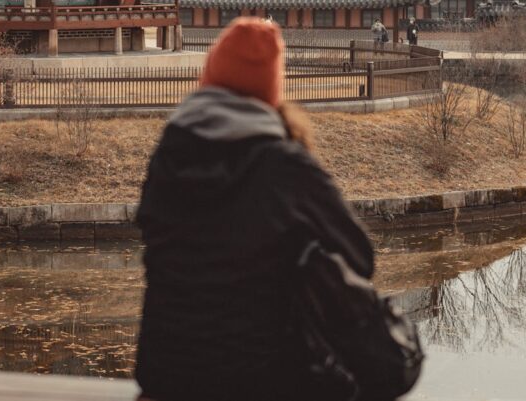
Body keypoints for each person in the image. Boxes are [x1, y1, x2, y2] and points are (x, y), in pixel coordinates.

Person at [135, 17, 407, 401]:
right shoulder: (282, 164)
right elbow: (359, 255)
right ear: (271, 91)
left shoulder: (170, 152)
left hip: (165, 375)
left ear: (209, 76)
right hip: (260, 379)